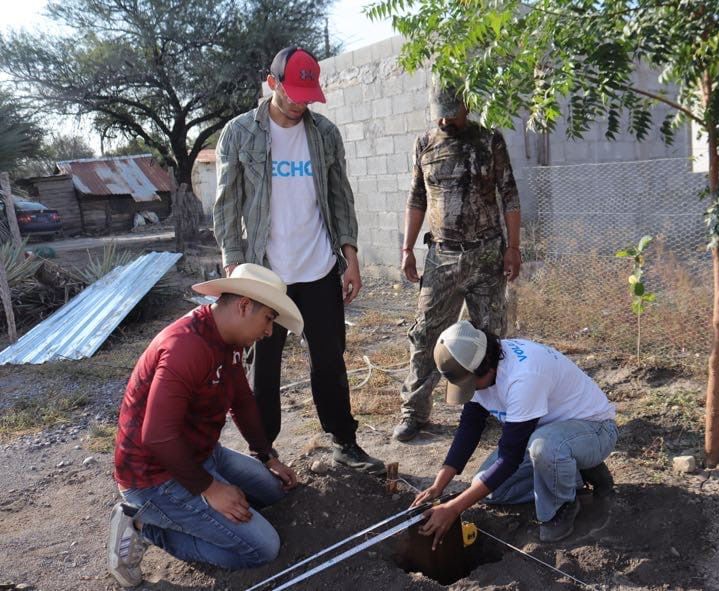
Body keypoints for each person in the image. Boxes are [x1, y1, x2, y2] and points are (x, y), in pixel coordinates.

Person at [213, 46, 384, 475]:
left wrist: (351, 255)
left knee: (330, 362)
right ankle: (264, 456)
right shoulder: (239, 134)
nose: (300, 105)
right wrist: (234, 265)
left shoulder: (325, 134)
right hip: (265, 276)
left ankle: (344, 442)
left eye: (308, 96)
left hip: (319, 270)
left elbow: (340, 197)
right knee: (263, 374)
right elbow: (226, 205)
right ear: (272, 84)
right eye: (292, 95)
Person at [108, 264, 303, 587]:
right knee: (263, 548)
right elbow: (156, 435)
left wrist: (267, 455)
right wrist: (209, 488)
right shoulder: (186, 346)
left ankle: (204, 512)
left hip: (202, 455)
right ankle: (146, 527)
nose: (269, 330)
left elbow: (241, 400)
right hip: (154, 477)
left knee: (274, 492)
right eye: (268, 318)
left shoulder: (228, 341)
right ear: (243, 306)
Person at [394, 79, 522, 442]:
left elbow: (509, 194)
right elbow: (416, 198)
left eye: (451, 115)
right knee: (425, 335)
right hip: (441, 258)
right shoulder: (424, 144)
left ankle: (491, 408)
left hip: (486, 257)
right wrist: (407, 249)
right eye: (439, 116)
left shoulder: (489, 141)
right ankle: (414, 412)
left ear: (466, 106)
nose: (444, 123)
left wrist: (513, 248)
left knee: (490, 337)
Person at [411, 321, 618, 545]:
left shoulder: (523, 377)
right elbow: (469, 428)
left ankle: (561, 507)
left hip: (594, 430)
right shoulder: (477, 362)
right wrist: (438, 485)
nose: (471, 390)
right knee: (490, 489)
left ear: (487, 366)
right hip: (542, 433)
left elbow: (510, 458)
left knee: (546, 447)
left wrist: (454, 508)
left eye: (472, 383)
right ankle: (573, 473)